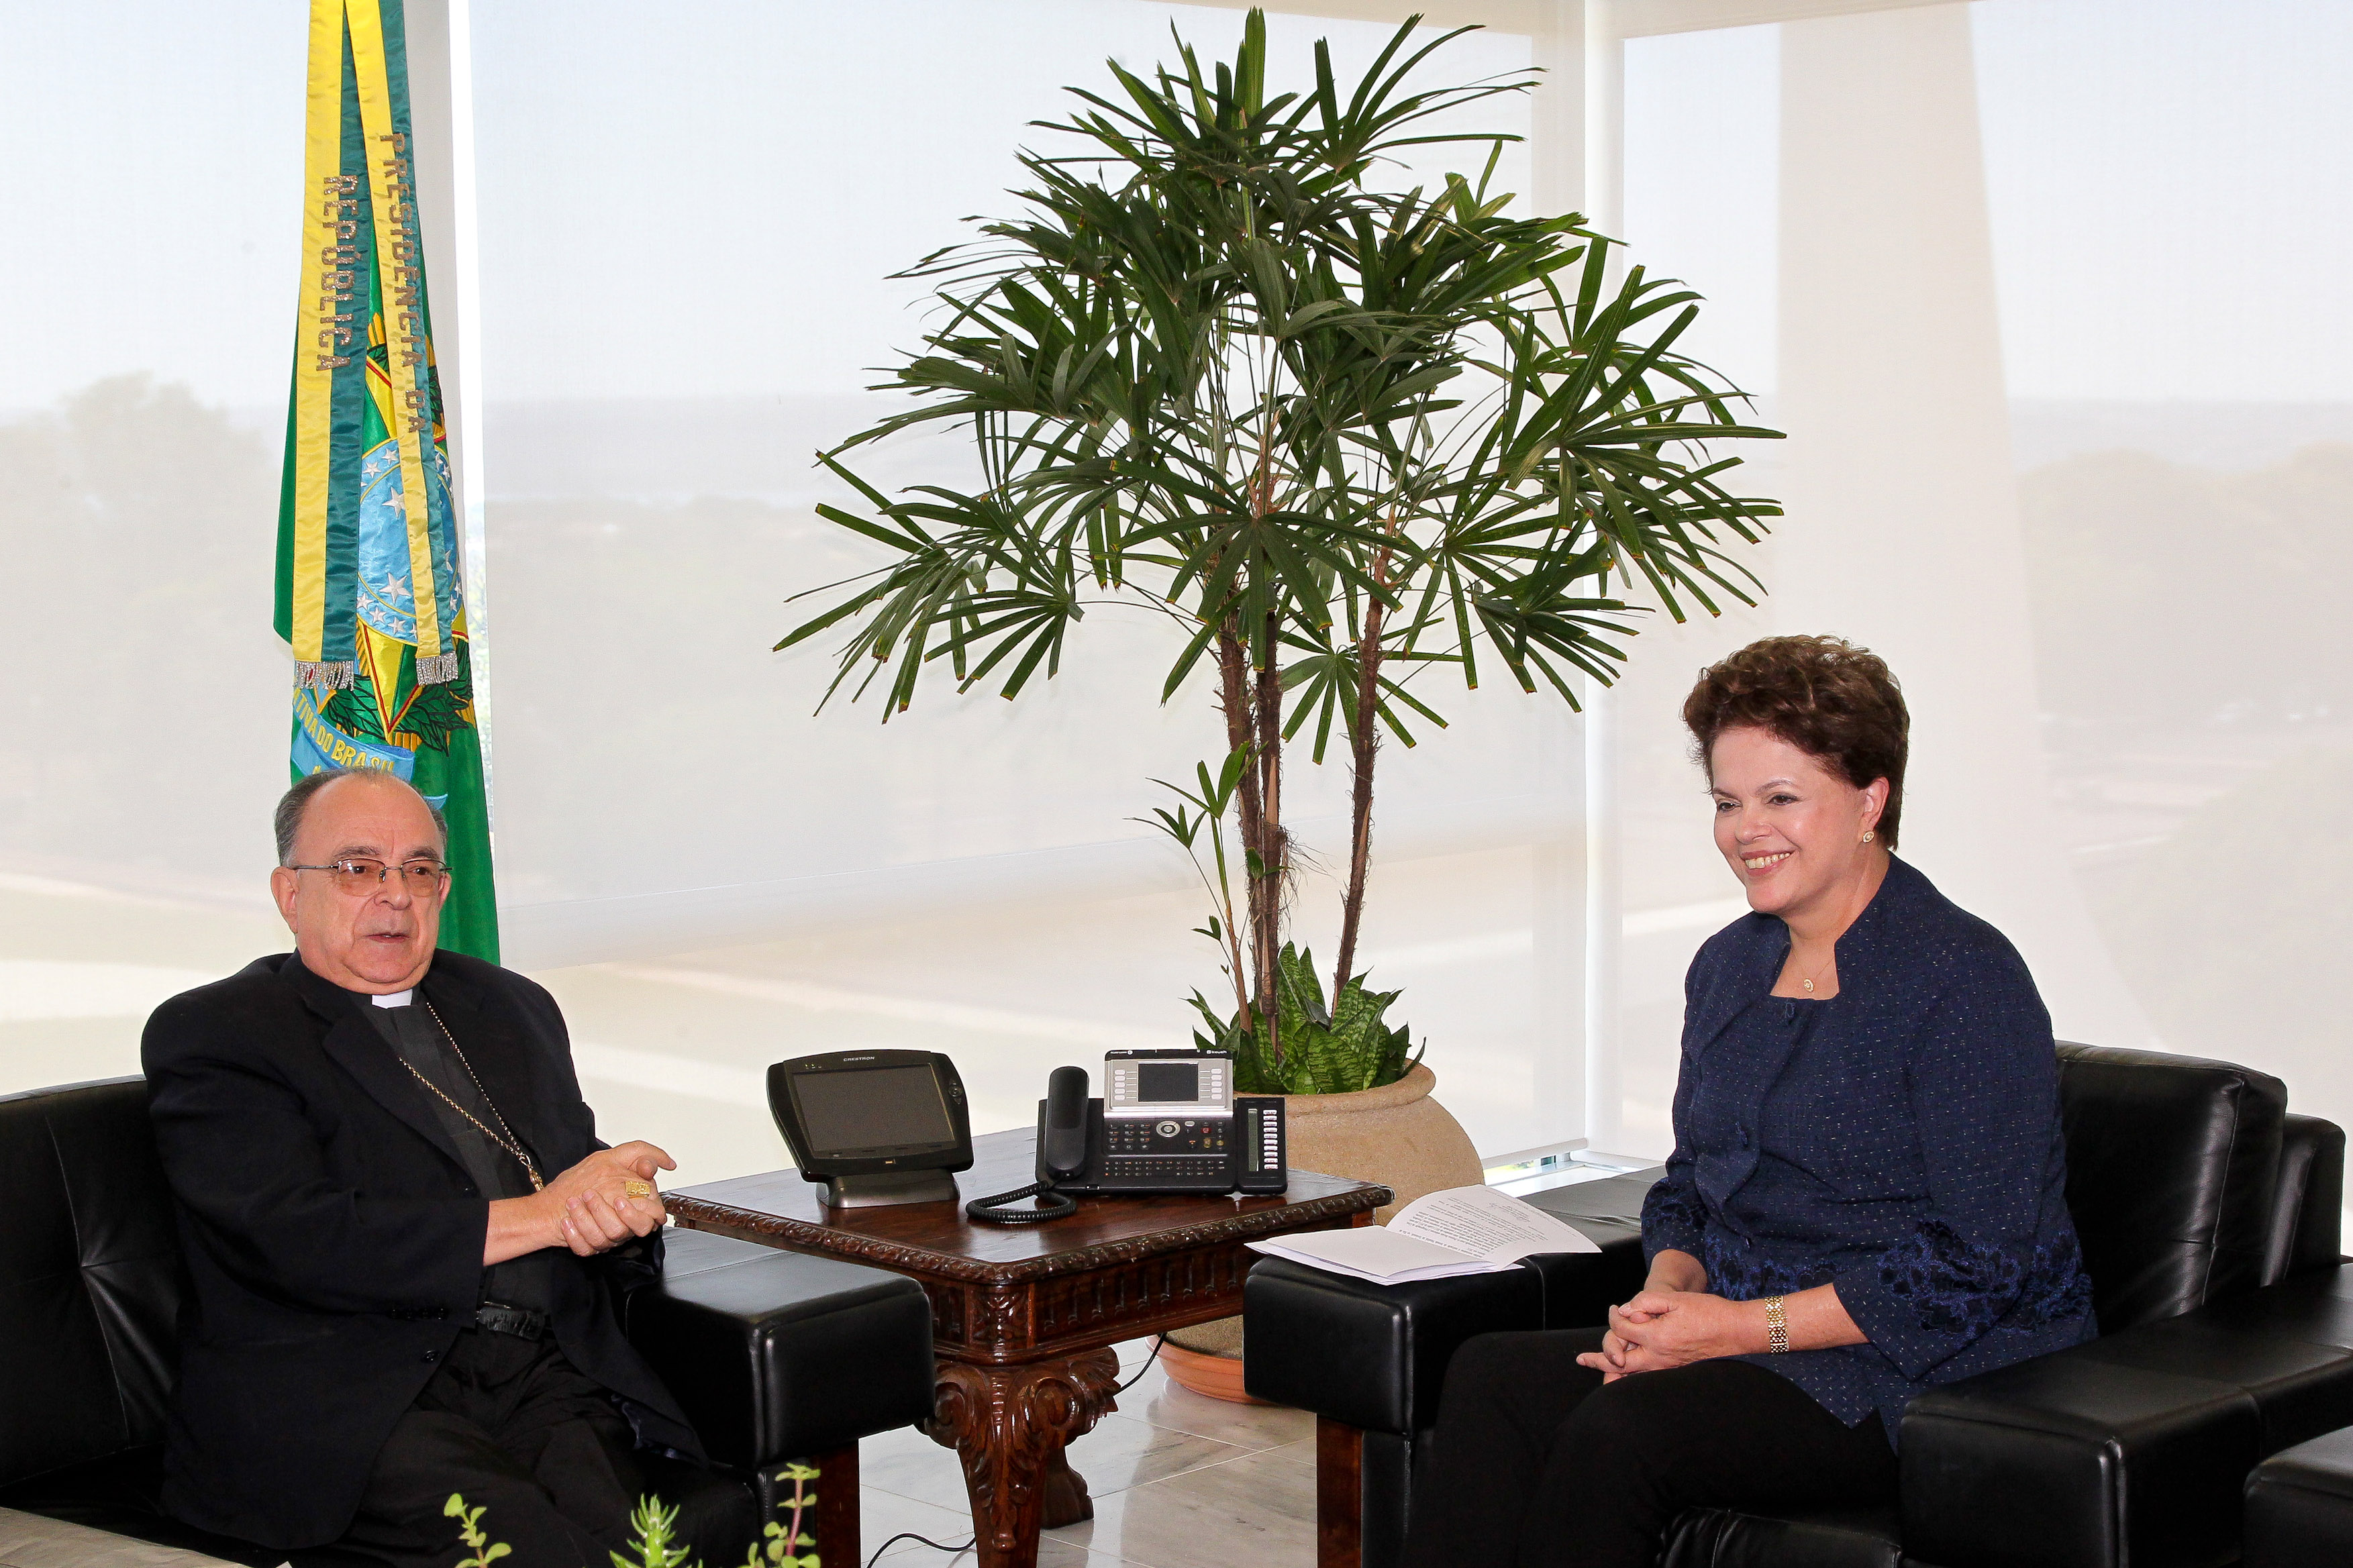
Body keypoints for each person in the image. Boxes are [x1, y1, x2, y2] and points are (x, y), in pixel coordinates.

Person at [1401, 635, 2097, 1568]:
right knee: (1490, 1376)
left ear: (1869, 801)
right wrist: (1664, 1296)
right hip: (1746, 1329)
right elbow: (1691, 1179)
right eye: (1727, 802)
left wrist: (1732, 1330)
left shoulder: (1962, 978)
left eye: (1779, 798)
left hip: (1923, 1365)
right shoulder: (1728, 966)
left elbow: (1979, 1261)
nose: (1744, 830)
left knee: (1625, 1431)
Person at [143, 766, 701, 1568]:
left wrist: (616, 1203)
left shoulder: (510, 1007)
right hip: (349, 1392)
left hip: (538, 1370)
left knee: (645, 1549)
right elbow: (301, 1240)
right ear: (290, 893)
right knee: (530, 1549)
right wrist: (549, 1214)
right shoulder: (220, 1032)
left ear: (442, 890)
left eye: (418, 870)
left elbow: (567, 1173)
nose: (395, 895)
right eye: (357, 868)